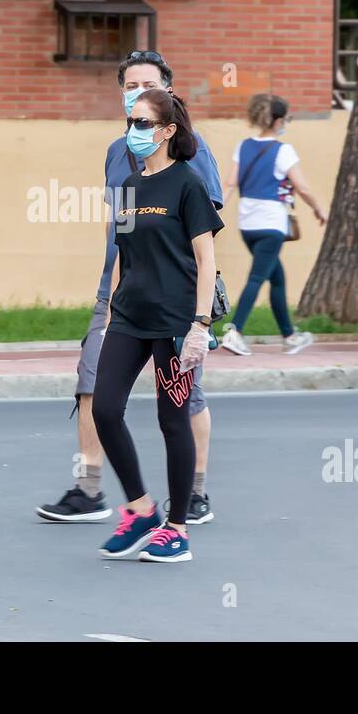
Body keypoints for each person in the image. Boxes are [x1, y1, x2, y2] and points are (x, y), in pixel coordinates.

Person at [37, 51, 223, 525]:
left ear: (167, 97)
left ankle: (191, 497)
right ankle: (93, 489)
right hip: (122, 295)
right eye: (131, 87)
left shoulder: (193, 156)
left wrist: (199, 318)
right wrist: (112, 289)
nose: (137, 95)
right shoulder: (118, 154)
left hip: (175, 301)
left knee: (181, 403)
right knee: (94, 388)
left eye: (148, 87)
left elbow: (202, 238)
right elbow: (117, 225)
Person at [91, 87, 224, 562]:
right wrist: (109, 318)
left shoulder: (188, 183)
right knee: (104, 409)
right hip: (130, 317)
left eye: (144, 124)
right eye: (131, 122)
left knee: (173, 420)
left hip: (174, 322)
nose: (134, 131)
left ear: (167, 131)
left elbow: (206, 260)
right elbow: (124, 258)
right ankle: (141, 509)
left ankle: (177, 528)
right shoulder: (127, 187)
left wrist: (199, 324)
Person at [219, 93, 327, 356]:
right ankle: (235, 331)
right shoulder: (283, 150)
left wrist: (215, 210)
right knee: (257, 278)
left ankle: (289, 336)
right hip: (271, 224)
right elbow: (301, 187)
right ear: (278, 121)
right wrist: (318, 208)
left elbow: (230, 184)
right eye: (286, 118)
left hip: (248, 224)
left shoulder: (243, 146)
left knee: (277, 278)